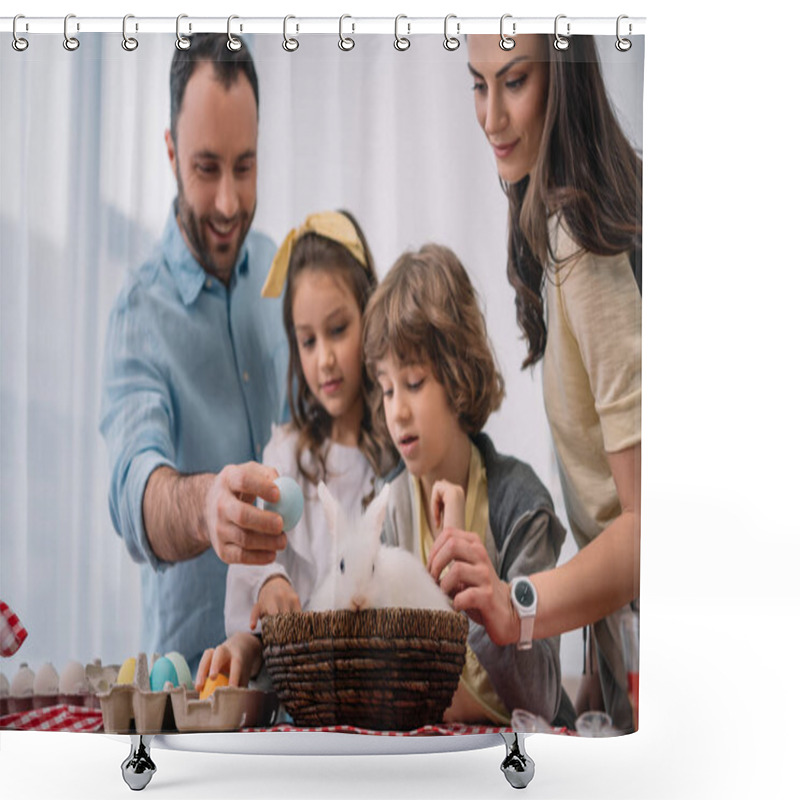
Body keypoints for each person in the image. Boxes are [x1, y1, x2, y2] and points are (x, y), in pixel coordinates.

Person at [452, 34, 642, 731]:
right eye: (478, 84)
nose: (492, 117)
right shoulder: (555, 223)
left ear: (565, 76)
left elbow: (649, 525)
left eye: (515, 81)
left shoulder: (584, 241)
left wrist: (517, 605)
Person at [99, 34, 290, 674]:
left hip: (301, 689)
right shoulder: (139, 313)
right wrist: (207, 507)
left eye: (245, 166)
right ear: (172, 153)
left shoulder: (285, 275)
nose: (230, 203)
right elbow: (134, 492)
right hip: (192, 706)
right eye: (207, 169)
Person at [362, 244, 574, 728]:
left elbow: (539, 696)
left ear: (457, 376)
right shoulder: (386, 509)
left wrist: (480, 605)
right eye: (387, 387)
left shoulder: (520, 504)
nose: (396, 411)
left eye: (413, 383)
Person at [195, 210, 394, 688]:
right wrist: (269, 584)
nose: (323, 358)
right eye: (308, 340)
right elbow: (254, 574)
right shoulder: (285, 459)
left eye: (338, 330)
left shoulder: (395, 458)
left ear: (371, 317)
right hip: (301, 713)